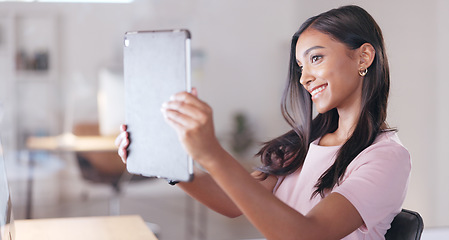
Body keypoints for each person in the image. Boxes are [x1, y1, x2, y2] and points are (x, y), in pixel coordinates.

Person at [116, 5, 411, 240]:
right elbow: (232, 200)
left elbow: (307, 235)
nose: (304, 77)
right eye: (300, 66)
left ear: (364, 57)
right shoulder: (305, 144)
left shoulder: (386, 157)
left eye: (316, 58)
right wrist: (167, 159)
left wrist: (212, 153)